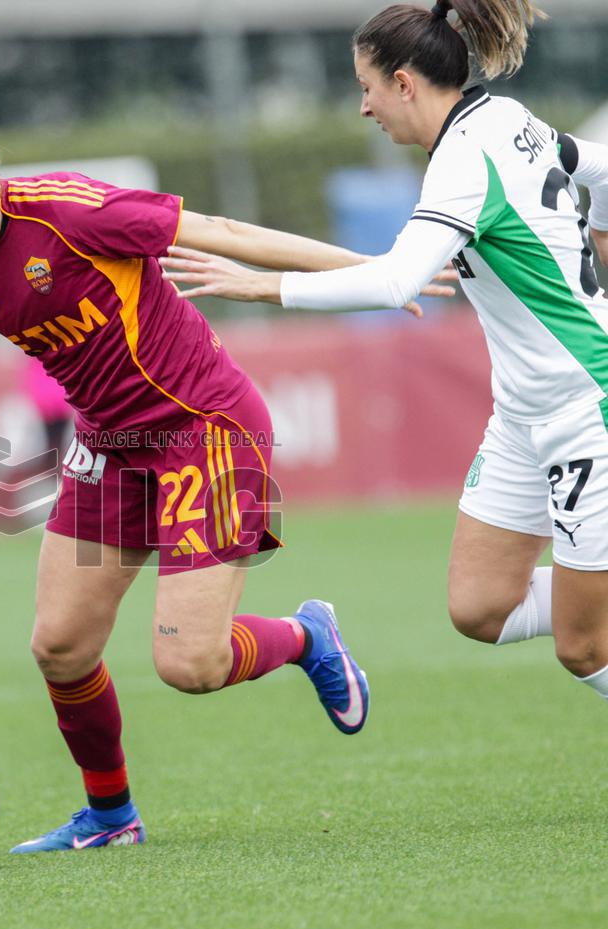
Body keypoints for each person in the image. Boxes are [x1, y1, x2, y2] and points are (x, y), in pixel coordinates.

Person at [0, 69, 450, 855]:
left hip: (207, 431)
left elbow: (224, 233)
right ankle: (110, 816)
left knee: (190, 665)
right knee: (59, 647)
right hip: (110, 446)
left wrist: (365, 274)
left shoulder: (68, 212)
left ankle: (308, 637)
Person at [161, 0, 608, 706]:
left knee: (585, 647)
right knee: (480, 606)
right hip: (526, 415)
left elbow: (399, 279)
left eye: (366, 87)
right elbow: (601, 169)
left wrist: (263, 287)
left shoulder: (464, 157)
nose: (364, 107)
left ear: (404, 83)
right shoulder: (506, 119)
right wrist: (601, 233)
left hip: (589, 406)